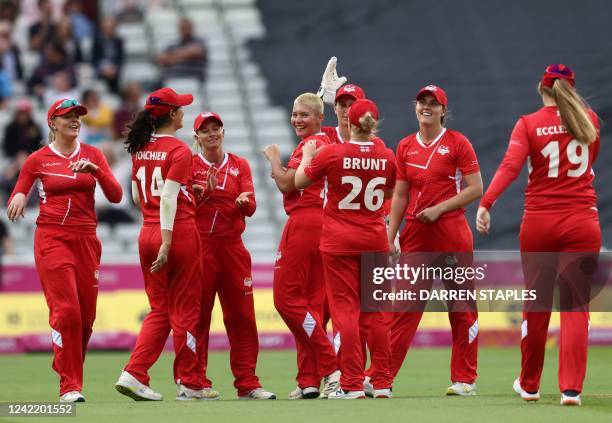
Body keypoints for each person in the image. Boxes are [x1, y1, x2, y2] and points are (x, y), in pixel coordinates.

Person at [476, 64, 601, 407]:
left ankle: (529, 385)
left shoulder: (529, 123)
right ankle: (571, 389)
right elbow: (591, 159)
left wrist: (486, 203)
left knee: (537, 306)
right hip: (582, 221)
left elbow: (510, 166)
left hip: (540, 224)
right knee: (576, 309)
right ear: (571, 89)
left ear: (540, 88)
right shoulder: (589, 119)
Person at [6, 98, 123, 402]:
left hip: (86, 240)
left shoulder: (94, 154)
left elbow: (116, 195)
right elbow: (21, 188)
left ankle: (64, 364)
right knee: (67, 312)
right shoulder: (38, 159)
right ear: (52, 123)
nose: (75, 120)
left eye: (78, 116)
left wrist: (96, 170)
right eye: (67, 116)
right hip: (52, 238)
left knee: (85, 319)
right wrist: (18, 197)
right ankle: (69, 386)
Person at [114, 87, 215, 401]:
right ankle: (191, 383)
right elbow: (168, 198)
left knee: (160, 309)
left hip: (146, 231)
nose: (184, 112)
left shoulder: (140, 148)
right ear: (171, 115)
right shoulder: (179, 150)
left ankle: (134, 373)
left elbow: (135, 197)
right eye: (181, 108)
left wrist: (189, 195)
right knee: (186, 311)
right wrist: (168, 241)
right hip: (176, 233)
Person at [295, 98, 396, 399]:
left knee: (346, 314)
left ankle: (351, 383)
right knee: (376, 312)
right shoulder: (388, 156)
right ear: (373, 123)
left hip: (339, 241)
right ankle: (382, 382)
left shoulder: (332, 152)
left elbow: (300, 181)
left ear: (348, 122)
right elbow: (389, 192)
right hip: (375, 239)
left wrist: (307, 155)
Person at [386, 85, 483, 396]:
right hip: (415, 236)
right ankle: (381, 377)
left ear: (443, 110)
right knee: (404, 308)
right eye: (422, 102)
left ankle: (464, 380)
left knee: (462, 307)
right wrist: (390, 235)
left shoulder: (458, 143)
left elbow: (475, 188)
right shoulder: (405, 146)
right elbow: (400, 194)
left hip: (452, 234)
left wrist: (440, 208)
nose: (426, 107)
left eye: (433, 104)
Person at [191, 111, 276, 400]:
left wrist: (242, 202)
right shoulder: (189, 165)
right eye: (206, 130)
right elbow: (182, 207)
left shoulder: (240, 165)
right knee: (198, 317)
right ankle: (195, 381)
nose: (212, 133)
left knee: (241, 317)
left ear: (223, 132)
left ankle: (247, 383)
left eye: (216, 128)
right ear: (197, 137)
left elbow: (251, 205)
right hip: (200, 248)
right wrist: (203, 194)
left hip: (232, 247)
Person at [262, 93, 340, 400]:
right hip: (324, 224)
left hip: (306, 222)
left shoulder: (314, 145)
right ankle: (309, 380)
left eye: (304, 115)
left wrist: (273, 159)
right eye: (295, 114)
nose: (297, 119)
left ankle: (331, 368)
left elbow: (287, 183)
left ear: (320, 119)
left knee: (286, 299)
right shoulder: (326, 141)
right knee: (312, 306)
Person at [156, 17, 206, 83]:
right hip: (170, 77)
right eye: (182, 28)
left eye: (187, 27)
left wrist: (172, 58)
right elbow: (161, 59)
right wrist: (185, 55)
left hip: (192, 76)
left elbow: (196, 52)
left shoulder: (199, 41)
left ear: (192, 28)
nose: (185, 30)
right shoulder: (173, 43)